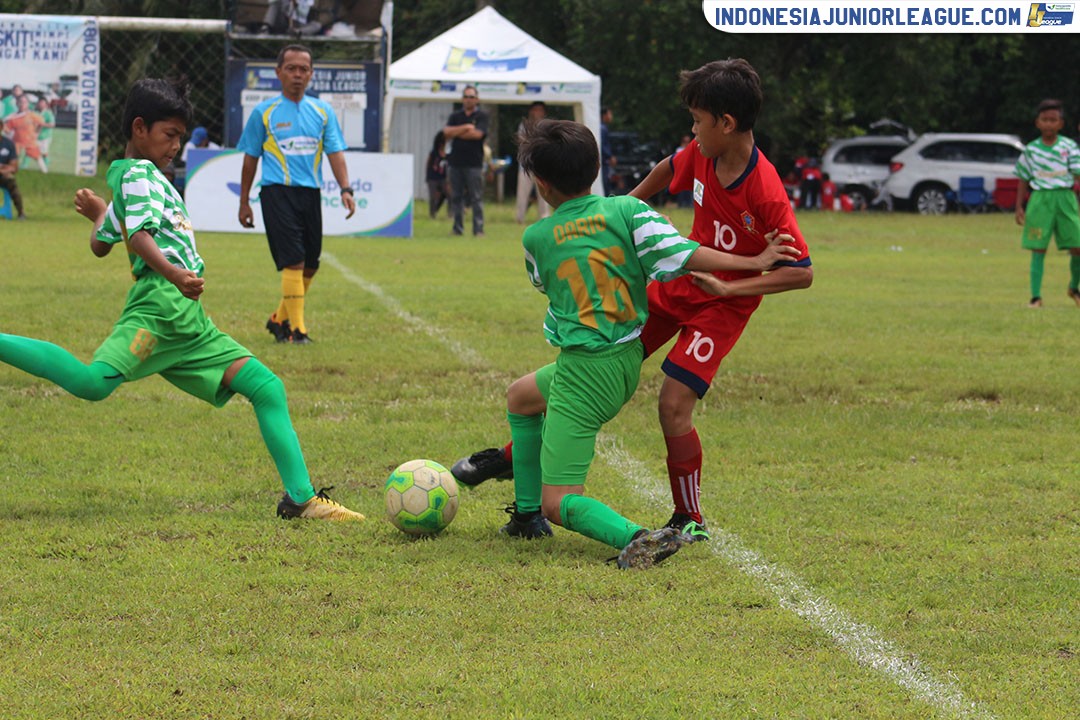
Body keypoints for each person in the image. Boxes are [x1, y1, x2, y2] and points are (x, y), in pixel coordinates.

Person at [452, 59, 813, 540]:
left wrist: (732, 287)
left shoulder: (765, 189)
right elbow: (669, 168)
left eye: (697, 120)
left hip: (724, 302)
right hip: (679, 283)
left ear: (726, 123)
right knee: (601, 356)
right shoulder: (704, 151)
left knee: (672, 403)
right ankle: (515, 461)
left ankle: (689, 518)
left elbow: (801, 273)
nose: (692, 129)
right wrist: (614, 215)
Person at [0, 77, 364, 522]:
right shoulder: (136, 174)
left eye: (179, 136)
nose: (176, 145)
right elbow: (139, 236)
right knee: (93, 384)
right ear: (139, 129)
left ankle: (301, 499)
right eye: (169, 135)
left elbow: (104, 243)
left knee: (266, 387)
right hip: (160, 308)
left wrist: (101, 215)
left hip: (187, 318)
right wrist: (172, 272)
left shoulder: (142, 178)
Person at [237, 44, 357, 344]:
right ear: (278, 73)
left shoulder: (323, 111)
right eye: (291, 68)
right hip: (276, 193)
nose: (297, 74)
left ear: (312, 74)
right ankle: (297, 331)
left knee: (311, 265)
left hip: (310, 194)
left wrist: (345, 188)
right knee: (294, 262)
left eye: (304, 69)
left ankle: (279, 319)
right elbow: (250, 158)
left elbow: (336, 153)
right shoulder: (264, 112)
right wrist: (244, 202)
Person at [1014, 98, 1080, 308]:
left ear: (1061, 123)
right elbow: (1023, 178)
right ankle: (1036, 297)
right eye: (1045, 120)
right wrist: (1019, 206)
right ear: (1038, 123)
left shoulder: (1069, 147)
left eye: (1053, 120)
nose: (1049, 124)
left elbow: (1078, 175)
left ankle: (1074, 287)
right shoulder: (1031, 150)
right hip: (1040, 199)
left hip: (1065, 198)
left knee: (1077, 246)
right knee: (1038, 248)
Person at [443, 85, 488, 236]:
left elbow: (478, 135)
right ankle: (457, 228)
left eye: (472, 97)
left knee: (476, 197)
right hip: (455, 163)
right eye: (466, 97)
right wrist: (466, 127)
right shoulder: (455, 116)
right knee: (456, 197)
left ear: (477, 99)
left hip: (474, 163)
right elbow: (446, 133)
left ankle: (478, 229)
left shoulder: (482, 116)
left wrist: (457, 132)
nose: (469, 100)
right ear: (462, 99)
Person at [514, 102, 551, 223]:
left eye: (539, 110)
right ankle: (520, 218)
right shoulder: (524, 125)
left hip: (544, 165)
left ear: (544, 112)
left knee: (545, 193)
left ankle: (544, 217)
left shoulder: (547, 125)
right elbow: (522, 142)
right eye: (534, 109)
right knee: (522, 193)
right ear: (530, 111)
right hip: (526, 165)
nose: (537, 112)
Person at [7, 95, 47, 173]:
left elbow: (41, 122)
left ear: (28, 104)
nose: (22, 104)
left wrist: (37, 133)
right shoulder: (13, 117)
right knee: (12, 157)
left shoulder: (31, 114)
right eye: (20, 102)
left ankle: (45, 172)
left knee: (38, 157)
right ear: (17, 103)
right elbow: (8, 129)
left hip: (29, 140)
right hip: (17, 141)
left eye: (24, 102)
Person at [0, 122, 26, 219]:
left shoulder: (8, 144)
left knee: (11, 180)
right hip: (3, 170)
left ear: (1, 128)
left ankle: (21, 212)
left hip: (3, 175)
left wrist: (3, 169)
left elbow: (14, 167)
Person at [425, 130, 449, 219]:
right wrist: (427, 176)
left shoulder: (446, 154)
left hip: (442, 177)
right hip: (433, 177)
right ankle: (432, 214)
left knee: (447, 194)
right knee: (433, 196)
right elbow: (428, 164)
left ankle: (450, 213)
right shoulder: (433, 153)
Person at [34, 97, 55, 170]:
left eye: (42, 103)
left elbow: (52, 124)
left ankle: (45, 165)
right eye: (40, 103)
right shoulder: (35, 113)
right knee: (33, 151)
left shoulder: (48, 113)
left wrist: (42, 124)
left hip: (45, 136)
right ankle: (24, 166)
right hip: (36, 136)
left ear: (46, 105)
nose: (41, 104)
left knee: (44, 152)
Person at [600, 106, 615, 196]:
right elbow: (602, 144)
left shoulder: (602, 127)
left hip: (603, 161)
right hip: (603, 162)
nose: (611, 116)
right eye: (609, 114)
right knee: (605, 183)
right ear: (604, 115)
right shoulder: (602, 128)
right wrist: (610, 156)